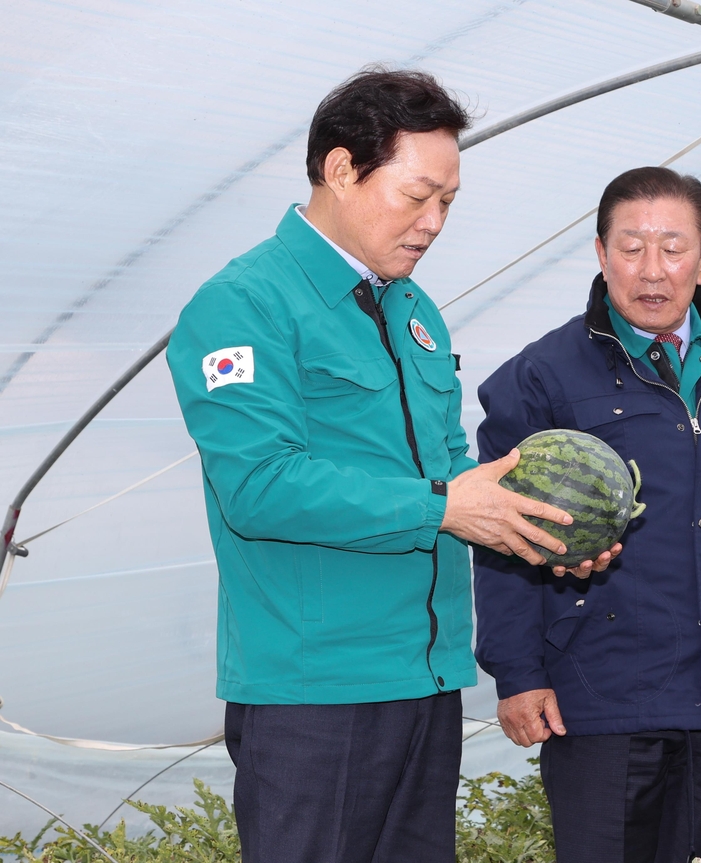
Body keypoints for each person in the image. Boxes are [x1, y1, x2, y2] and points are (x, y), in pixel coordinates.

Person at [166, 69, 613, 863]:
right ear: (342, 170)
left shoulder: (415, 313)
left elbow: (455, 476)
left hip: (425, 682)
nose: (435, 221)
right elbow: (259, 486)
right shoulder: (245, 304)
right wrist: (442, 507)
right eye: (417, 195)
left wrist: (549, 532)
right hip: (316, 695)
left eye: (448, 201)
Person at [473, 166, 701, 863]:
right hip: (603, 693)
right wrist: (516, 672)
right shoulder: (542, 376)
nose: (652, 269)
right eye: (631, 247)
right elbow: (502, 533)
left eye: (672, 246)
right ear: (601, 254)